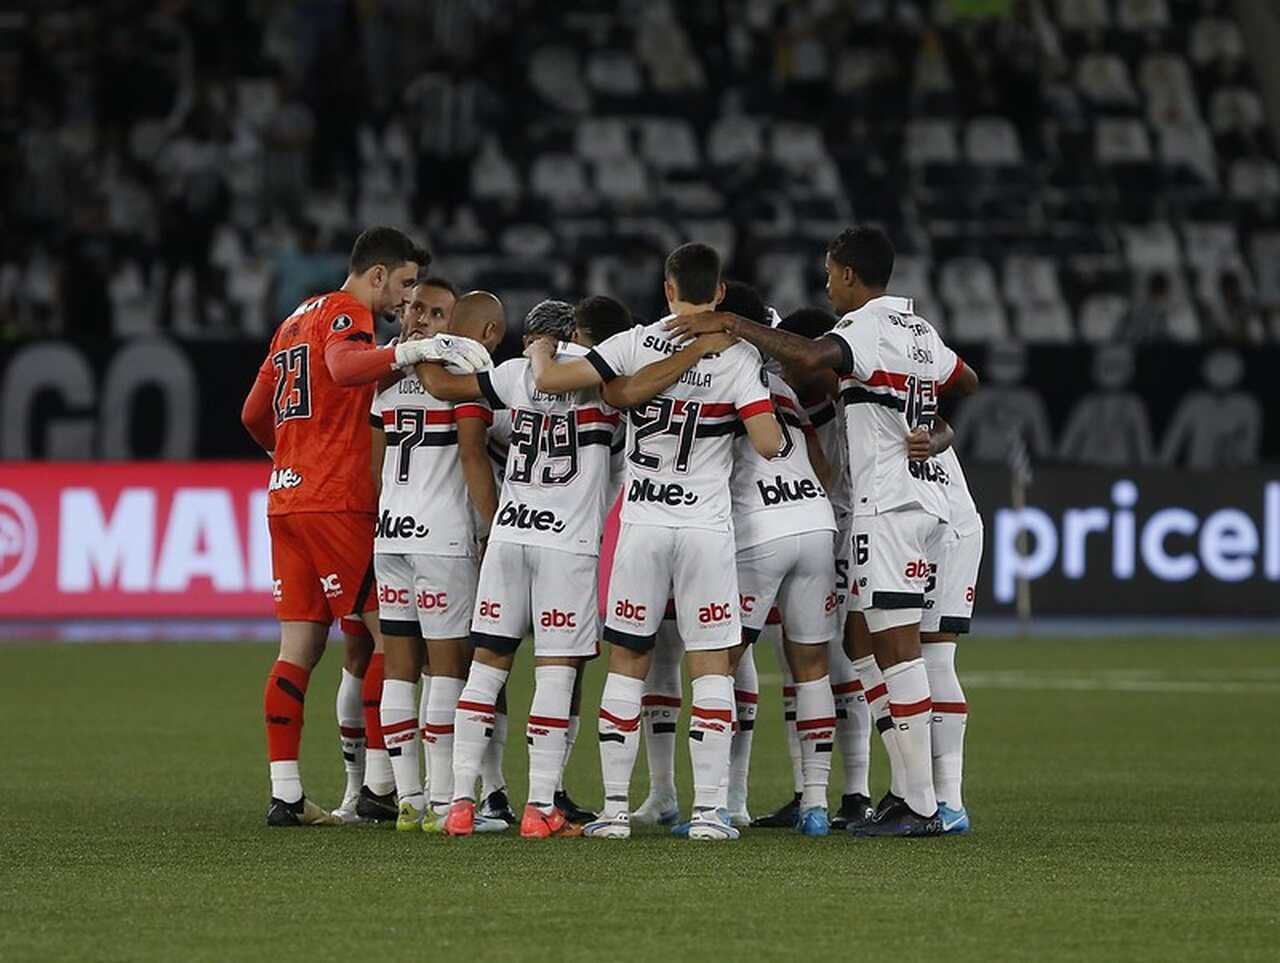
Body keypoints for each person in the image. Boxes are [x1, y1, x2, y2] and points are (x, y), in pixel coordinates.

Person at [665, 226, 978, 836]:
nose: (828, 285)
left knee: (893, 652)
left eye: (831, 274)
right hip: (940, 505)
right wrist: (935, 427)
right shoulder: (920, 331)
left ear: (851, 277)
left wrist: (730, 325)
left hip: (889, 507)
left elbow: (809, 356)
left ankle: (918, 806)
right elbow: (965, 381)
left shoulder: (861, 329)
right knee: (900, 651)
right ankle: (940, 801)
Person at [527, 243, 783, 841]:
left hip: (641, 526)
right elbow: (769, 443)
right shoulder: (738, 355)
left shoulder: (632, 343)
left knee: (628, 663)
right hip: (705, 531)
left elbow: (552, 378)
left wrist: (540, 342)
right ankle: (711, 814)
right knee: (711, 666)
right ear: (719, 294)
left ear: (668, 289)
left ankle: (615, 811)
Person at [416, 294, 686, 837]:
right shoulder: (601, 386)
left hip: (510, 535)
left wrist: (417, 346)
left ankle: (461, 804)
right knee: (556, 674)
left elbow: (442, 388)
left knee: (487, 667)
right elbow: (643, 391)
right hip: (567, 544)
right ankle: (541, 806)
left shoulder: (517, 373)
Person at [240, 226, 475, 827]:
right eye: (401, 285)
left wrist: (285, 459)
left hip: (286, 501)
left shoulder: (295, 318)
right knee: (390, 635)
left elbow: (252, 412)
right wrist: (409, 352)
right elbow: (346, 369)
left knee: (300, 649)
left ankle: (286, 794)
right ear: (376, 275)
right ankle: (377, 788)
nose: (404, 301)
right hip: (338, 502)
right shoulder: (348, 314)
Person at [370, 291, 508, 833]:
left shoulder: (386, 388)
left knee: (399, 669)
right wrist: (495, 525)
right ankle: (446, 800)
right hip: (442, 539)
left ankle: (409, 799)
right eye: (420, 311)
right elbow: (474, 459)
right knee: (448, 669)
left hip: (390, 534)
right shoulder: (464, 375)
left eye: (434, 314)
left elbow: (374, 470)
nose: (422, 319)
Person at [917, 418, 981, 834]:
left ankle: (946, 800)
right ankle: (929, 795)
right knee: (920, 657)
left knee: (932, 657)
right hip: (941, 520)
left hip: (945, 527)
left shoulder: (871, 372)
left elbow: (944, 425)